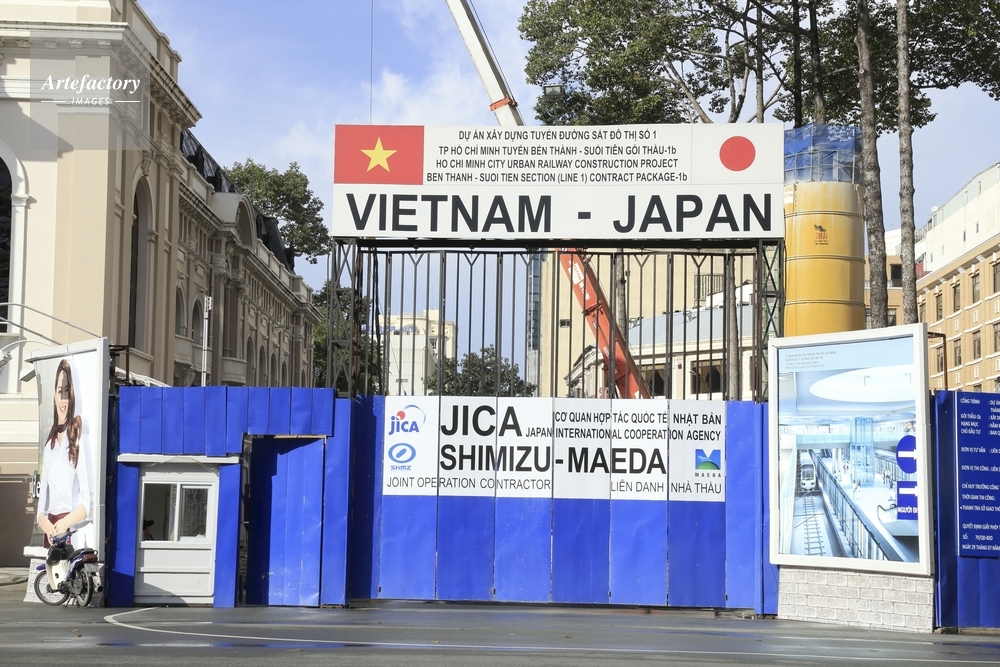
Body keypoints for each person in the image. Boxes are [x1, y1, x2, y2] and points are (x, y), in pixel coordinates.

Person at [36, 359, 91, 548]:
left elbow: (87, 503)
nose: (63, 400)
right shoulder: (49, 447)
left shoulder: (78, 439)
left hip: (70, 533)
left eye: (67, 392)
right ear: (54, 395)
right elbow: (41, 505)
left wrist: (65, 523)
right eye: (60, 391)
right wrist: (47, 526)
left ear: (73, 395)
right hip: (51, 534)